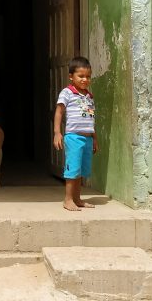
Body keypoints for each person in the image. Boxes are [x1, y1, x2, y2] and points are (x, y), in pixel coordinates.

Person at [53, 56, 98, 211]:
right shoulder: (67, 93)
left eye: (88, 76)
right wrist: (57, 133)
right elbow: (59, 112)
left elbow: (92, 119)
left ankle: (78, 199)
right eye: (81, 76)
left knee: (81, 170)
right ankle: (68, 200)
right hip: (73, 137)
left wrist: (94, 138)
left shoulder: (89, 96)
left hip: (87, 138)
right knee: (72, 169)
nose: (85, 79)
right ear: (71, 76)